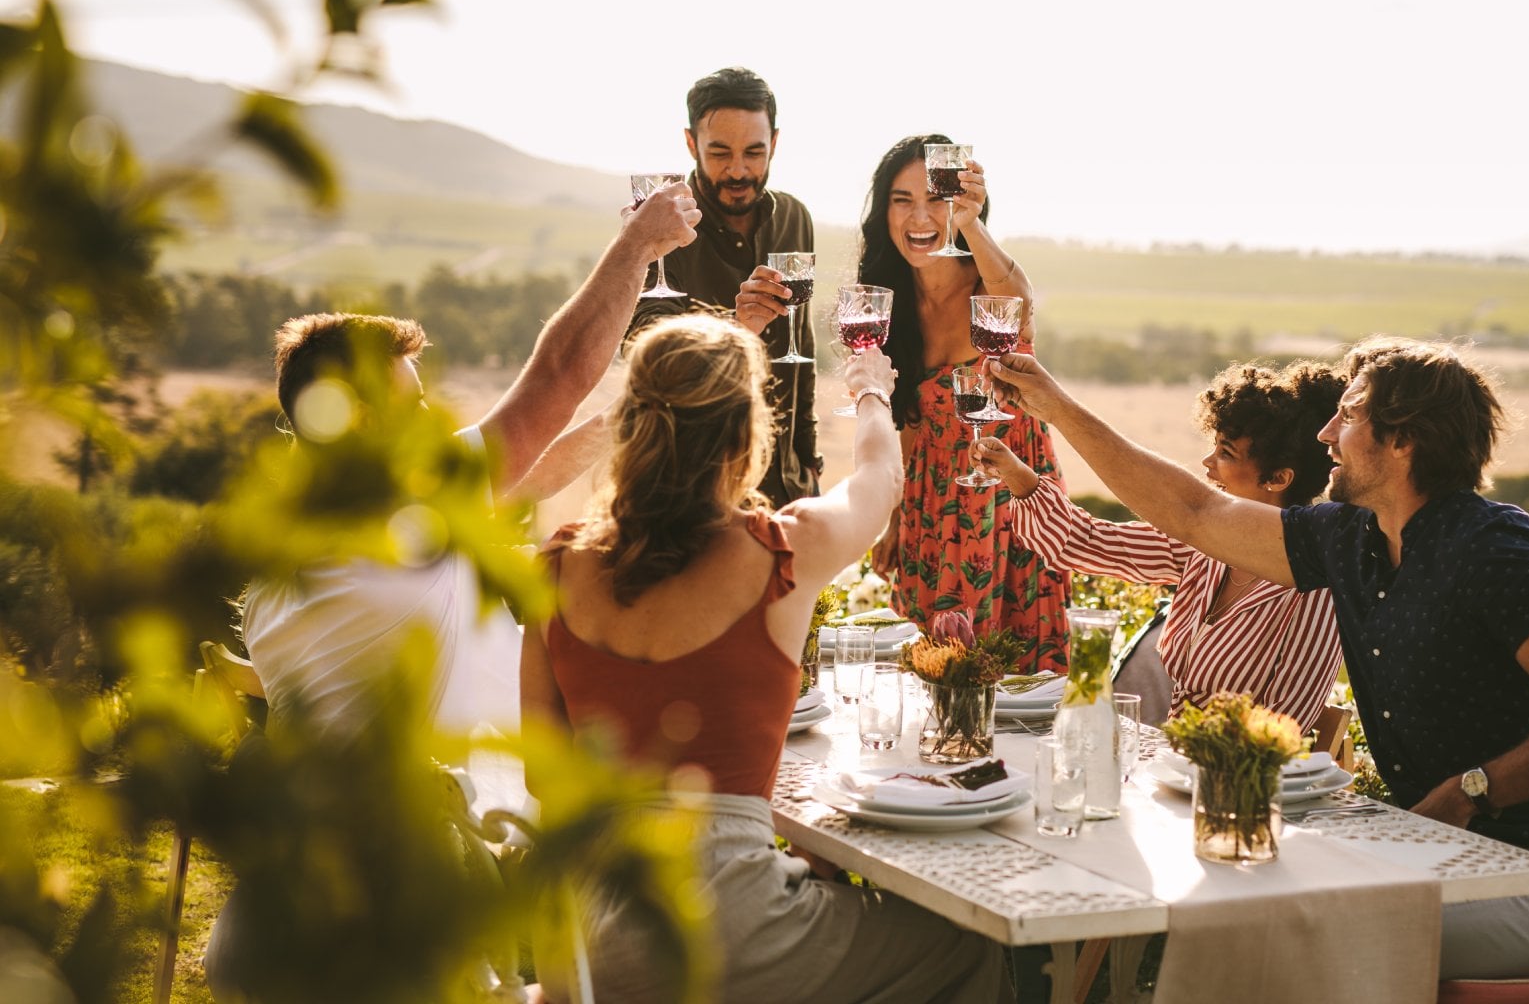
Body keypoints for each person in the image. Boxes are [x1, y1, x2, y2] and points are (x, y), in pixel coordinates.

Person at [986, 337, 1529, 981]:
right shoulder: (1351, 541)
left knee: (1282, 930)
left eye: (1351, 415)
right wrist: (1055, 406)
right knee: (1237, 909)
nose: (1325, 434)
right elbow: (1194, 512)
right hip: (1426, 860)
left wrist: (1469, 792)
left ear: (1403, 439)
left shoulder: (1490, 548)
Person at [519, 314, 1012, 1003]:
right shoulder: (784, 550)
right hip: (723, 933)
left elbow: (544, 782)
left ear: (628, 428)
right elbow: (879, 476)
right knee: (965, 950)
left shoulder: (557, 568)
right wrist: (872, 388)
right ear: (747, 433)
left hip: (586, 943)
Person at [241, 182, 700, 737]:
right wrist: (637, 247)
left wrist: (652, 400)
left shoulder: (286, 547)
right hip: (465, 814)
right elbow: (561, 373)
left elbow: (531, 476)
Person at [973, 360, 1346, 726]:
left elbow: (1283, 724)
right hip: (1172, 765)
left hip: (1237, 775)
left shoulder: (1314, 590)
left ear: (1278, 478)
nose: (1207, 461)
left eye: (1226, 453)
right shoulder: (1203, 548)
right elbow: (1086, 542)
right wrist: (1017, 475)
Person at [856, 133, 1068, 669]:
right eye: (902, 200)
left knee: (1018, 677)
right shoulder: (886, 299)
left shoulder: (989, 284)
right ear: (883, 212)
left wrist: (971, 223)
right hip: (933, 503)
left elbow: (1018, 299)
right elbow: (907, 419)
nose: (918, 217)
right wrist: (895, 517)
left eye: (936, 200)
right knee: (937, 670)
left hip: (1011, 495)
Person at [637, 66, 820, 507]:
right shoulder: (659, 227)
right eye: (719, 152)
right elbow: (645, 359)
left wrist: (809, 465)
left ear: (774, 143)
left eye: (754, 152)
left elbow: (802, 350)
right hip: (692, 489)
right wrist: (734, 329)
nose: (738, 171)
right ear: (690, 143)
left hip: (784, 484)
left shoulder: (796, 218)